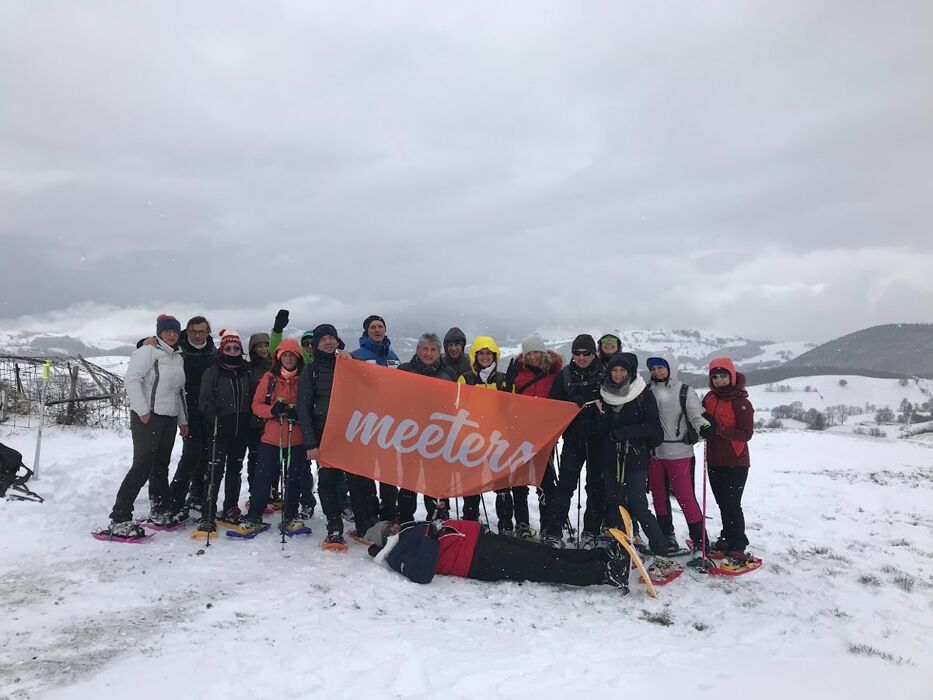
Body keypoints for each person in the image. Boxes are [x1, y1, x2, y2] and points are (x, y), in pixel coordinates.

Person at [97, 315, 188, 539]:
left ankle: (159, 510)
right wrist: (142, 410)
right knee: (142, 466)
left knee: (161, 466)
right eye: (167, 331)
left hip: (169, 417)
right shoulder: (147, 351)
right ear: (159, 332)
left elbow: (179, 392)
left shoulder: (177, 357)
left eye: (175, 331)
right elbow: (132, 380)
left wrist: (182, 420)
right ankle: (120, 518)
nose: (172, 335)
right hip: (148, 417)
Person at [364, 518, 630, 593]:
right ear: (385, 539)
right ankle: (603, 574)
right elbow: (421, 574)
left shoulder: (407, 530)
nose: (394, 526)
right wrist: (431, 538)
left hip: (480, 540)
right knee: (541, 566)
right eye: (389, 529)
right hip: (477, 560)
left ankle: (599, 557)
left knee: (544, 551)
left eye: (391, 523)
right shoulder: (397, 555)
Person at [297, 324, 368, 550]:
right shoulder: (310, 371)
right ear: (316, 345)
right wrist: (311, 443)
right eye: (323, 339)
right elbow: (303, 408)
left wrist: (353, 360)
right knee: (328, 481)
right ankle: (334, 527)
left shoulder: (350, 363)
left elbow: (370, 383)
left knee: (357, 482)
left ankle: (363, 524)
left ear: (337, 341)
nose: (328, 342)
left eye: (331, 338)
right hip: (325, 434)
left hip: (352, 433)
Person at [596, 353, 669, 555]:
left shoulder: (642, 393)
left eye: (623, 370)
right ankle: (621, 541)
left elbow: (653, 427)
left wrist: (625, 433)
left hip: (635, 456)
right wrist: (601, 415)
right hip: (612, 457)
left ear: (630, 372)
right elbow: (601, 431)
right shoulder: (603, 393)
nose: (618, 374)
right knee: (615, 501)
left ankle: (661, 547)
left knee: (638, 505)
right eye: (614, 370)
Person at [237, 339, 311, 536]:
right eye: (284, 355)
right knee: (263, 478)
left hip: (296, 438)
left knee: (293, 479)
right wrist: (272, 410)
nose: (288, 358)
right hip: (272, 437)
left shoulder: (305, 378)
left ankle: (290, 516)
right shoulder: (269, 378)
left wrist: (299, 414)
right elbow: (256, 405)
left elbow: (311, 405)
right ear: (278, 357)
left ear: (298, 357)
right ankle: (254, 516)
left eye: (292, 355)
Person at [542, 334, 603, 548]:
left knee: (595, 486)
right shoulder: (565, 375)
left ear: (594, 354)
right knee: (565, 486)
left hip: (597, 439)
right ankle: (554, 532)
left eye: (586, 353)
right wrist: (571, 405)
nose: (581, 357)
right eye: (577, 353)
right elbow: (554, 406)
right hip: (573, 439)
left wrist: (596, 419)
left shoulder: (604, 373)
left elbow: (613, 403)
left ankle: (590, 531)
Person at [645, 351, 710, 551]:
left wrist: (704, 427)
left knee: (685, 497)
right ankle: (667, 536)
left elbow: (696, 415)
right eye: (653, 368)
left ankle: (700, 540)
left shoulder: (684, 391)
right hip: (654, 453)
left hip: (679, 452)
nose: (656, 371)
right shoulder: (647, 390)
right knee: (659, 497)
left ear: (670, 368)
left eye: (661, 367)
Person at [502, 334, 563, 539]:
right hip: (520, 437)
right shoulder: (518, 374)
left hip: (545, 439)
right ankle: (522, 525)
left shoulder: (554, 374)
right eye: (529, 353)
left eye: (536, 352)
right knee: (519, 483)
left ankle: (547, 525)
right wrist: (507, 384)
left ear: (543, 353)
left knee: (546, 483)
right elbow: (506, 403)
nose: (533, 357)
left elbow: (561, 400)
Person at [395, 333, 457, 523]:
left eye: (433, 350)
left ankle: (438, 518)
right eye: (425, 349)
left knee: (436, 480)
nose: (429, 353)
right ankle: (405, 519)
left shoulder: (448, 374)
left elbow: (454, 405)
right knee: (409, 479)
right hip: (410, 434)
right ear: (418, 350)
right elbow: (393, 398)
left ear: (439, 352)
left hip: (437, 436)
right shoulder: (404, 370)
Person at [196, 330, 253, 533]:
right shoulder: (214, 371)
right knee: (215, 472)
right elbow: (203, 400)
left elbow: (253, 397)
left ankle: (231, 507)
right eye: (228, 348)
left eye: (236, 348)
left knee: (235, 470)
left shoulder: (246, 371)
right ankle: (208, 514)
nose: (232, 351)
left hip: (241, 430)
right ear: (222, 350)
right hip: (218, 429)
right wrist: (211, 409)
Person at [702, 358, 755, 566]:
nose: (719, 380)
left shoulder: (741, 402)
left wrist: (719, 429)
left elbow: (746, 434)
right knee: (722, 502)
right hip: (714, 459)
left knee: (732, 504)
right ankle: (727, 537)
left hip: (736, 461)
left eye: (723, 376)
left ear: (731, 376)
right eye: (715, 376)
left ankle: (738, 545)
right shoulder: (709, 398)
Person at [456, 335, 511, 530]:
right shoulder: (466, 379)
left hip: (498, 440)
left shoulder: (503, 379)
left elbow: (511, 410)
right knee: (471, 484)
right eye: (481, 353)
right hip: (472, 439)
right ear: (475, 355)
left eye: (489, 353)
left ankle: (506, 524)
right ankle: (470, 521)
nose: (485, 357)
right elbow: (459, 407)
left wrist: (509, 390)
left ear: (495, 355)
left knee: (502, 486)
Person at [350, 314, 401, 521]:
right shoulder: (356, 356)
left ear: (385, 329)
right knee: (367, 469)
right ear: (367, 331)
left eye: (380, 326)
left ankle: (389, 510)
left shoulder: (393, 357)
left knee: (389, 470)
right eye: (373, 327)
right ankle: (370, 511)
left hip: (390, 424)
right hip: (367, 423)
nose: (377, 330)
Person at [167, 316, 216, 518]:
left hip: (208, 411)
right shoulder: (178, 350)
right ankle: (174, 499)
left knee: (206, 455)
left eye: (202, 331)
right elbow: (152, 346)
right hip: (187, 410)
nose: (197, 335)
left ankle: (197, 495)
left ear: (207, 333)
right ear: (187, 332)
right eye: (193, 331)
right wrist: (145, 341)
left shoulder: (213, 352)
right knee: (191, 454)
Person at [245, 332, 271, 495]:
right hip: (254, 421)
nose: (263, 349)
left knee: (271, 459)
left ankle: (272, 492)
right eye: (259, 346)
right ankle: (255, 492)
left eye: (266, 345)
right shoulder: (249, 369)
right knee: (255, 458)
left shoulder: (274, 366)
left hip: (272, 420)